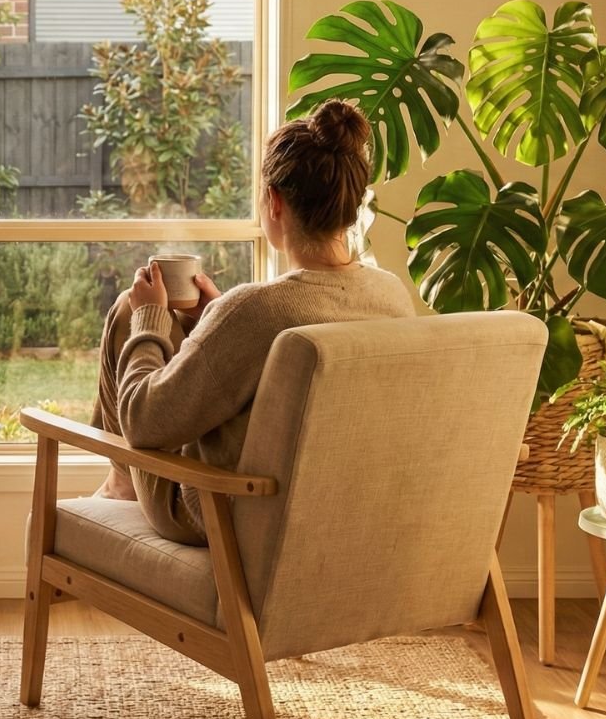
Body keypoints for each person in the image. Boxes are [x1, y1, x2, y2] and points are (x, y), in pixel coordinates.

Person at [90, 99, 416, 545]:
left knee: (130, 308)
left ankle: (121, 482)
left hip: (221, 512)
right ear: (352, 205)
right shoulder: (392, 296)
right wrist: (216, 317)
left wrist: (149, 315)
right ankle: (120, 480)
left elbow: (143, 422)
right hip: (333, 506)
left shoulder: (258, 310)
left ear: (274, 202)